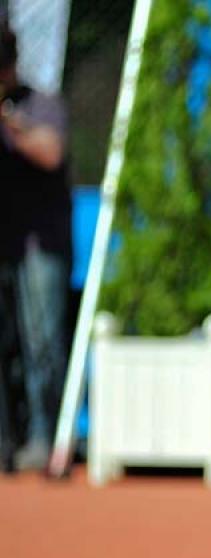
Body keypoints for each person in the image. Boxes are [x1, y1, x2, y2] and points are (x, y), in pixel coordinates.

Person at [0, 20, 72, 473]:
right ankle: (7, 440)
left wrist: (8, 122)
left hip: (39, 245)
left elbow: (50, 153)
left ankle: (44, 438)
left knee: (42, 342)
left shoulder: (40, 105)